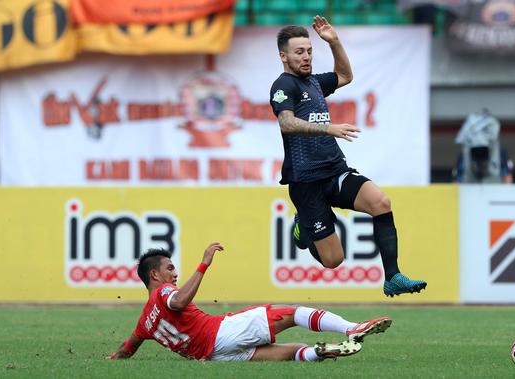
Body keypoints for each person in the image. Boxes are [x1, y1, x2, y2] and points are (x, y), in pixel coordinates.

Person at [269, 16, 427, 297]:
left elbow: (345, 76)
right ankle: (302, 228)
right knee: (333, 260)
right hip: (306, 183)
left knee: (381, 202)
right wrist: (328, 128)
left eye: (309, 51)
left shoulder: (315, 83)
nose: (306, 57)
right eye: (299, 52)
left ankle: (392, 277)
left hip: (334, 171)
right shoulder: (284, 86)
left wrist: (334, 42)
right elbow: (286, 123)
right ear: (283, 56)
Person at [107, 243, 392, 362]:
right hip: (221, 333)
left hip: (213, 357)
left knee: (289, 352)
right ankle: (353, 328)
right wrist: (204, 264)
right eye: (170, 268)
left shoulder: (145, 320)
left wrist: (112, 361)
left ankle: (323, 352)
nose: (175, 273)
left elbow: (127, 347)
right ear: (155, 274)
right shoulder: (164, 292)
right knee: (294, 313)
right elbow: (179, 302)